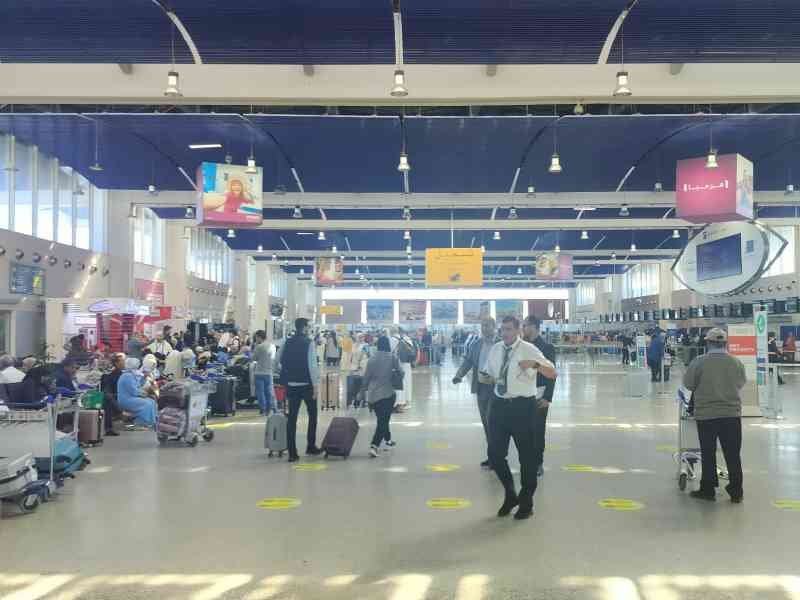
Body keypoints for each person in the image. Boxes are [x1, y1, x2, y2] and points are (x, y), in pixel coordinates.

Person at [485, 316, 556, 521]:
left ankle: (526, 502)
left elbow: (552, 373)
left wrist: (534, 364)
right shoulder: (497, 349)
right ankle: (510, 494)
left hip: (523, 407)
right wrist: (488, 378)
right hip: (499, 406)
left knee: (527, 456)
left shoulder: (528, 349)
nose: (504, 333)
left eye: (508, 329)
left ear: (518, 330)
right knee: (495, 454)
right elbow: (489, 373)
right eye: (502, 329)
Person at [682, 327, 746, 503]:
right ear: (725, 343)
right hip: (731, 414)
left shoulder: (699, 362)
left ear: (708, 343)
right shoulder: (736, 362)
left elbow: (688, 384)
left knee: (708, 452)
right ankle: (736, 491)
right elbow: (740, 383)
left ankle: (708, 489)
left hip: (707, 415)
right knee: (733, 453)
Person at [452, 317, 498, 468]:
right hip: (481, 387)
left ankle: (497, 457)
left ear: (494, 326)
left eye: (487, 325)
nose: (485, 328)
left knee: (493, 422)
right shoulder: (477, 344)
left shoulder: (501, 344)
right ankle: (492, 456)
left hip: (497, 388)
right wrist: (459, 375)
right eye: (483, 325)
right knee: (486, 423)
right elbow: (468, 362)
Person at [276, 318, 322, 462]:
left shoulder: (286, 342)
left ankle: (292, 453)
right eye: (309, 326)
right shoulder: (309, 343)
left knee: (292, 419)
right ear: (305, 328)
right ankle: (310, 446)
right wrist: (315, 386)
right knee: (312, 416)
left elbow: (276, 361)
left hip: (291, 386)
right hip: (307, 385)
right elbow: (312, 366)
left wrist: (285, 373)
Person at [522, 316, 556, 477]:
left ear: (534, 327)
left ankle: (538, 463)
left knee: (538, 430)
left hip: (540, 393)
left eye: (525, 326)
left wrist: (548, 398)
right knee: (524, 430)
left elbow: (552, 374)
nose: (523, 328)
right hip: (522, 394)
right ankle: (527, 461)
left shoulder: (547, 347)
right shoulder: (522, 346)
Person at [362, 336, 402, 458]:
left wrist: (361, 392)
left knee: (383, 418)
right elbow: (401, 372)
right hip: (388, 394)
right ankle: (374, 446)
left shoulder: (372, 359)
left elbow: (366, 379)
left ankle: (388, 439)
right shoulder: (392, 357)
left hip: (373, 395)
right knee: (383, 421)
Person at [117, 357, 157, 429]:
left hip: (131, 397)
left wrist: (144, 377)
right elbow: (134, 391)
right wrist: (143, 394)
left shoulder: (132, 374)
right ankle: (141, 422)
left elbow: (139, 384)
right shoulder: (127, 376)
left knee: (152, 401)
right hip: (126, 399)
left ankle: (151, 422)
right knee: (147, 403)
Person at [100, 353, 126, 436]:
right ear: (117, 363)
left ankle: (120, 413)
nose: (124, 363)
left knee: (108, 400)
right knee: (108, 401)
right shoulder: (115, 374)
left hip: (115, 394)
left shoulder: (120, 373)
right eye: (122, 361)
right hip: (116, 395)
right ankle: (120, 413)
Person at [253, 330, 276, 416]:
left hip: (259, 372)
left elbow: (254, 358)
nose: (256, 339)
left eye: (256, 337)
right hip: (269, 372)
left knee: (260, 392)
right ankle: (269, 409)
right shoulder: (272, 346)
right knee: (269, 391)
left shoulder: (259, 347)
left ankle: (262, 409)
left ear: (259, 337)